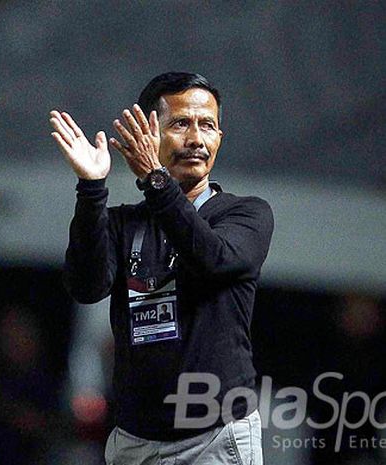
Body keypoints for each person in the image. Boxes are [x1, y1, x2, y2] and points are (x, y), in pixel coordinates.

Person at [50, 72, 273, 464]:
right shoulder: (124, 224)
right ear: (150, 132)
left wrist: (155, 179)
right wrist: (90, 188)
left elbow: (211, 259)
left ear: (220, 137)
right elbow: (86, 288)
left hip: (215, 440)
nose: (196, 140)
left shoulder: (245, 214)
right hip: (135, 442)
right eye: (180, 124)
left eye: (208, 126)